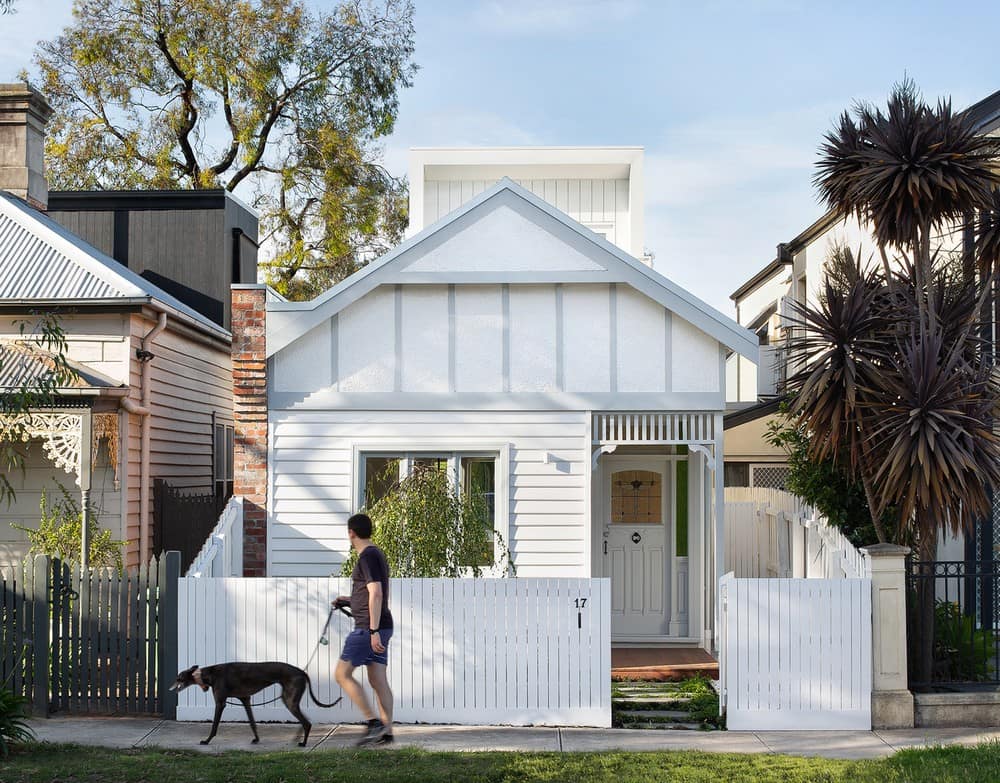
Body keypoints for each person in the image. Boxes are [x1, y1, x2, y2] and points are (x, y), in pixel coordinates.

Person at [333, 512, 394, 746]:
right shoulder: (376, 554)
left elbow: (376, 593)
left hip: (368, 629)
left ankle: (373, 723)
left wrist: (372, 630)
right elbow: (370, 593)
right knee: (378, 680)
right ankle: (386, 732)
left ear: (351, 533)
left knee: (341, 673)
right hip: (381, 625)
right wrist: (349, 600)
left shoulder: (367, 557)